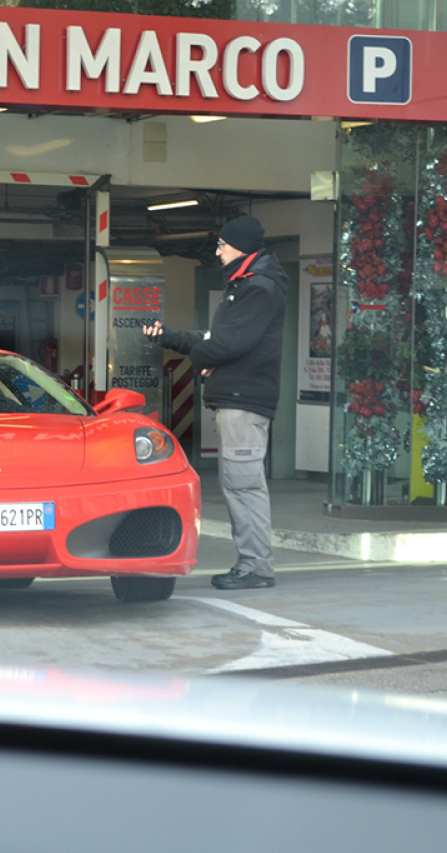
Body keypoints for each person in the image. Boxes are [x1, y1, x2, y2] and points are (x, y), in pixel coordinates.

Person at [143, 215, 288, 590]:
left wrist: (203, 360)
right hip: (237, 398)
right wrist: (171, 339)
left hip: (244, 400)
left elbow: (230, 344)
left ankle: (256, 567)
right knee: (238, 483)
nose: (218, 249)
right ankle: (252, 563)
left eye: (223, 243)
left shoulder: (259, 288)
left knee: (243, 485)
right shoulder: (243, 285)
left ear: (241, 246)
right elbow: (215, 337)